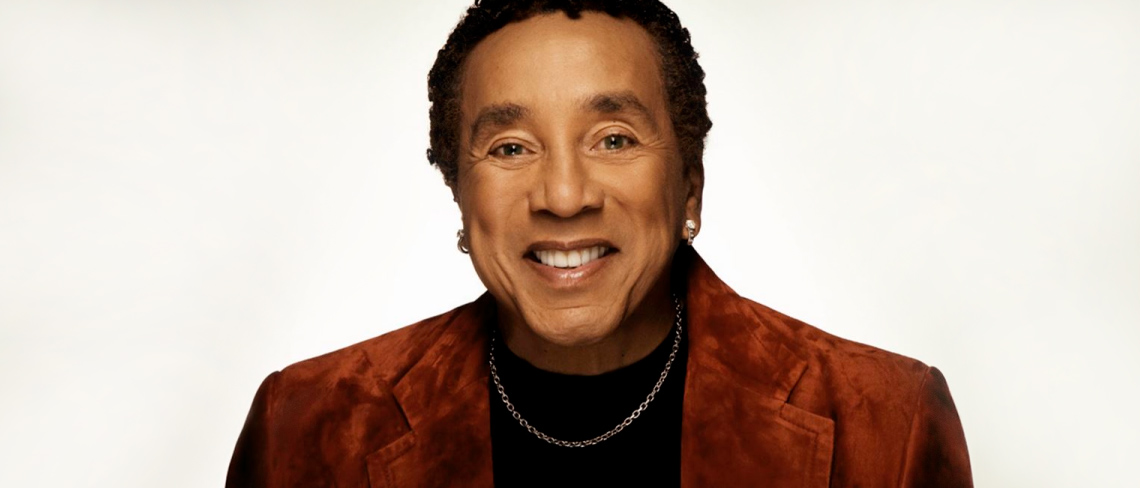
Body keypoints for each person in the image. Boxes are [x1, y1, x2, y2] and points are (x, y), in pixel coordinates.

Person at [226, 0, 972, 486]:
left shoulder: (887, 423)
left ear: (689, 187)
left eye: (614, 138)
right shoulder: (307, 424)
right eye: (510, 147)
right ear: (459, 191)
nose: (563, 196)